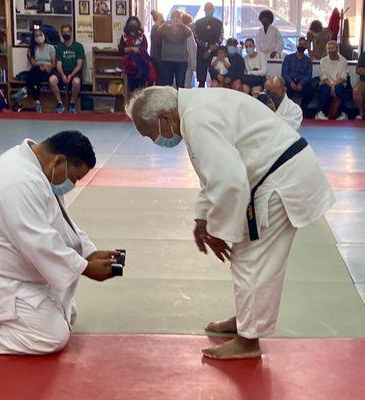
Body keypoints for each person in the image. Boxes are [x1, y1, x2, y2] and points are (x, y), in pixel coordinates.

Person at [125, 86, 335, 360]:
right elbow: (210, 174)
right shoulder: (192, 110)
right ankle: (247, 321)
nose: (153, 140)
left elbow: (231, 181)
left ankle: (248, 340)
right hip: (274, 175)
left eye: (149, 133)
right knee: (247, 257)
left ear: (164, 118)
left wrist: (218, 230)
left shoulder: (197, 118)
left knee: (251, 258)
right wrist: (203, 218)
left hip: (281, 179)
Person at [0, 131, 120, 354]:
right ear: (59, 161)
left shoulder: (37, 171)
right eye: (74, 178)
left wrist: (89, 252)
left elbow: (59, 223)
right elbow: (38, 241)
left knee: (68, 312)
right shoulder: (15, 180)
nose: (73, 184)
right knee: (53, 336)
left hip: (15, 270)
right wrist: (84, 267)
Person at [12, 29, 56, 113]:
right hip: (37, 71)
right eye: (36, 36)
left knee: (33, 74)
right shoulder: (31, 50)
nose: (38, 37)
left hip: (48, 70)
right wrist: (41, 66)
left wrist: (47, 66)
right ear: (34, 38)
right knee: (35, 76)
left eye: (40, 34)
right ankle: (37, 102)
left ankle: (25, 90)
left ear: (44, 35)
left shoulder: (50, 48)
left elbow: (54, 64)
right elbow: (33, 63)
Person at [49, 25, 85, 114]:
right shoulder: (59, 47)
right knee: (52, 80)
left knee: (76, 82)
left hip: (74, 72)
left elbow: (79, 65)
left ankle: (72, 103)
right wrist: (63, 75)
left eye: (67, 32)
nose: (66, 34)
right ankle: (60, 103)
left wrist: (71, 75)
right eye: (63, 32)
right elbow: (58, 65)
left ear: (71, 32)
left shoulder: (78, 46)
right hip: (62, 72)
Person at [157, 10, 191, 88]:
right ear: (171, 17)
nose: (175, 19)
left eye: (178, 17)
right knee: (167, 85)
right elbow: (158, 32)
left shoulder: (183, 28)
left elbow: (189, 33)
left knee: (180, 84)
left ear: (180, 18)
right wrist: (164, 24)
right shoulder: (166, 27)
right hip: (167, 60)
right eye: (174, 17)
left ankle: (180, 99)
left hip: (181, 61)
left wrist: (182, 25)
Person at [316, 40, 348, 120]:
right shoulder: (323, 60)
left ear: (337, 49)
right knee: (325, 89)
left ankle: (343, 114)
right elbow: (323, 76)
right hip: (326, 83)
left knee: (339, 89)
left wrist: (334, 85)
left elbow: (343, 77)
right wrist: (331, 85)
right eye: (328, 48)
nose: (330, 50)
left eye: (332, 48)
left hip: (339, 83)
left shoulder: (343, 61)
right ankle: (320, 112)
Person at [193, 2, 223, 87]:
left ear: (214, 10)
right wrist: (206, 46)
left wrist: (212, 48)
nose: (209, 11)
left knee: (215, 77)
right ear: (204, 10)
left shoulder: (219, 23)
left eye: (211, 9)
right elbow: (196, 38)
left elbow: (221, 37)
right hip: (202, 53)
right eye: (207, 9)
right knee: (201, 79)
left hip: (214, 53)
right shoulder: (198, 23)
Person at [118, 16, 150, 93]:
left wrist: (132, 49)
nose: (133, 25)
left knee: (141, 90)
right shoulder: (124, 37)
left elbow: (144, 50)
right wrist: (132, 49)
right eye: (131, 23)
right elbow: (122, 50)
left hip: (141, 66)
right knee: (132, 89)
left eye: (134, 24)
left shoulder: (142, 37)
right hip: (129, 66)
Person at [281, 37, 314, 111]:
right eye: (300, 43)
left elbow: (309, 75)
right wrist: (291, 82)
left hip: (302, 83)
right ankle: (287, 110)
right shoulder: (288, 58)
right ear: (296, 45)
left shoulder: (308, 60)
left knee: (310, 93)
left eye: (304, 44)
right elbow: (284, 73)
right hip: (290, 81)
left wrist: (301, 83)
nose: (301, 45)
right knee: (284, 92)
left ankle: (301, 110)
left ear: (306, 47)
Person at [182, 12, 197, 88]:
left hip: (173, 64)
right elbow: (192, 50)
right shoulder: (188, 32)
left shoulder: (172, 30)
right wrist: (194, 66)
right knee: (186, 87)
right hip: (186, 64)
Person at [150, 10, 164, 84]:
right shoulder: (156, 28)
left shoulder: (154, 27)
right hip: (157, 56)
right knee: (159, 78)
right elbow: (158, 42)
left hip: (154, 55)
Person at [352, 51, 365, 119]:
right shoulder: (364, 54)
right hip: (363, 82)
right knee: (356, 90)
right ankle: (362, 114)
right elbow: (358, 70)